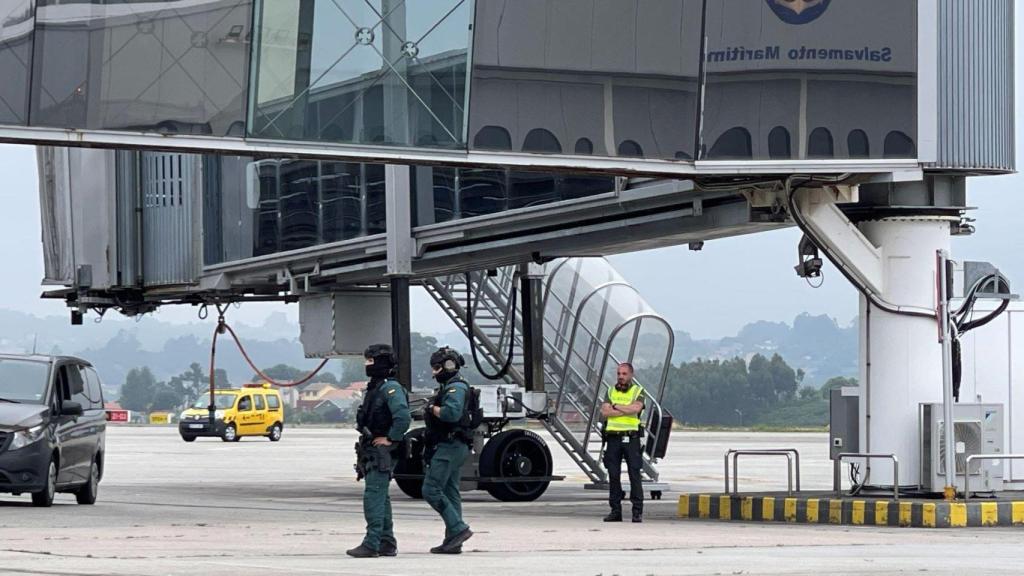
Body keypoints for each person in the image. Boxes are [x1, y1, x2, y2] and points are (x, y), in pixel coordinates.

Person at [347, 344, 411, 558]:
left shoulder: (390, 388)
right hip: (372, 448)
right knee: (381, 497)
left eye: (370, 361)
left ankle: (372, 543)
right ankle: (386, 542)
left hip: (381, 450)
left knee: (373, 496)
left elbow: (403, 416)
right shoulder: (377, 387)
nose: (367, 365)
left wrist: (391, 438)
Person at [421, 346, 474, 554]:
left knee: (431, 489)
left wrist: (432, 408)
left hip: (450, 445)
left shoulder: (456, 388)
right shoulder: (451, 387)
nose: (434, 372)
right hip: (454, 445)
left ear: (448, 366)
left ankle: (459, 529)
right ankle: (453, 540)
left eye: (436, 368)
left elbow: (451, 414)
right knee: (451, 492)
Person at [600, 362, 646, 523]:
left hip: (631, 438)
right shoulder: (610, 390)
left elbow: (636, 409)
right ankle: (615, 510)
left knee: (634, 474)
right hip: (613, 438)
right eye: (619, 373)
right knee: (613, 475)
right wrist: (623, 408)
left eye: (624, 374)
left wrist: (616, 406)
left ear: (631, 375)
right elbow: (605, 412)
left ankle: (637, 511)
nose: (621, 376)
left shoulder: (638, 391)